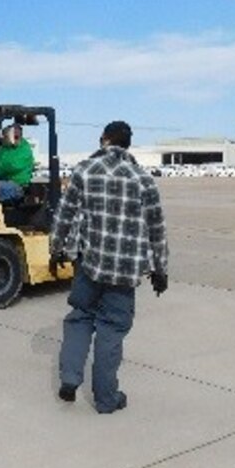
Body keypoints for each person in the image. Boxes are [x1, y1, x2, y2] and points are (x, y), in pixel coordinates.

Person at [48, 120, 169, 414]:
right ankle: (106, 399)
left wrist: (55, 250)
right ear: (128, 144)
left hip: (89, 264)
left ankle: (70, 377)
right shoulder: (143, 179)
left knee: (80, 318)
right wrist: (160, 269)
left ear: (104, 139)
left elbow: (64, 215)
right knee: (111, 330)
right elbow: (156, 227)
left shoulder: (84, 171)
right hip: (124, 272)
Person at [0, 123, 35, 203]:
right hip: (1, 181)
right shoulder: (2, 149)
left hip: (17, 185)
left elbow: (12, 166)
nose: (2, 138)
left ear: (14, 137)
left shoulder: (24, 150)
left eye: (5, 136)